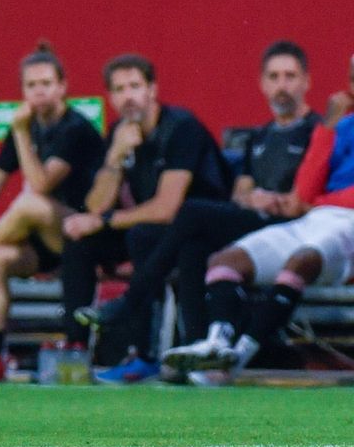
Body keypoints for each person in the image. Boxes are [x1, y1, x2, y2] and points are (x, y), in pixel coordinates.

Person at [80, 40, 319, 360]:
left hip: (296, 226)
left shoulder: (318, 130)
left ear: (307, 81)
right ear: (262, 83)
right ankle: (195, 348)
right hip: (254, 225)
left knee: (190, 213)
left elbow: (320, 190)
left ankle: (130, 302)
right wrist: (253, 197)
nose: (282, 86)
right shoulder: (261, 136)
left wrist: (283, 198)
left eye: (290, 77)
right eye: (274, 77)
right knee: (189, 243)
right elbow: (241, 191)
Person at [163, 73, 354, 379]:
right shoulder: (341, 128)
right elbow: (302, 196)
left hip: (347, 226)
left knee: (301, 259)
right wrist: (328, 126)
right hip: (316, 218)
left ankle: (237, 359)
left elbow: (308, 200)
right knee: (225, 260)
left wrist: (321, 200)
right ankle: (215, 343)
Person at [58, 54, 230, 381]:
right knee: (80, 240)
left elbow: (167, 208)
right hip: (153, 231)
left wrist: (106, 221)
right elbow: (96, 206)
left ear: (153, 89)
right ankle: (75, 350)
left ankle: (142, 353)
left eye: (136, 86)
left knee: (140, 235)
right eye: (120, 89)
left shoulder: (181, 128)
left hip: (205, 230)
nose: (129, 96)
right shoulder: (120, 134)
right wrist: (114, 157)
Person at [0, 45, 104, 382]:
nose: (39, 91)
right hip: (46, 239)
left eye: (46, 83)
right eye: (31, 85)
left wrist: (19, 132)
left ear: (63, 86)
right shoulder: (28, 125)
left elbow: (42, 184)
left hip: (85, 236)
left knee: (30, 203)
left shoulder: (74, 128)